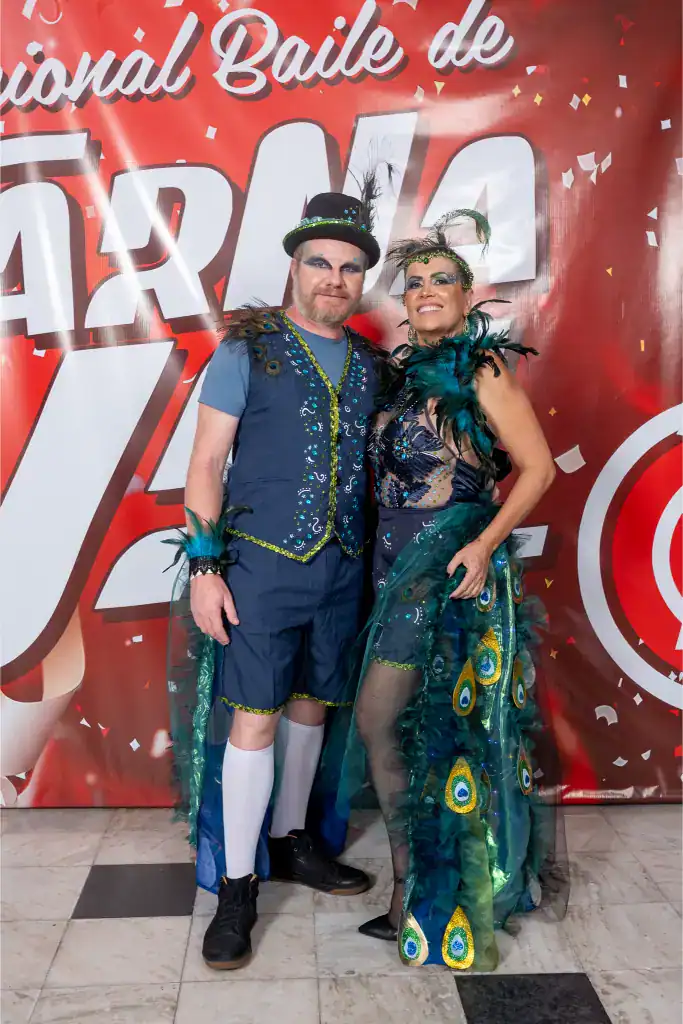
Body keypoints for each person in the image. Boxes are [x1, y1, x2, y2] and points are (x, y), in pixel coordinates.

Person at [337, 210, 568, 971]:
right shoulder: (402, 375)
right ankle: (413, 886)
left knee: (396, 722)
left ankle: (425, 891)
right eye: (415, 282)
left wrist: (481, 544)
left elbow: (538, 468)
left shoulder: (482, 369)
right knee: (406, 729)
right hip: (389, 566)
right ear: (403, 301)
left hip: (446, 570)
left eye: (443, 279)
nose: (427, 290)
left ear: (468, 296)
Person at [166, 186, 386, 971]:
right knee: (253, 721)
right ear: (294, 267)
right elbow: (204, 465)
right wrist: (204, 568)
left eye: (349, 268)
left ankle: (292, 842)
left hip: (344, 567)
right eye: (320, 262)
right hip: (258, 567)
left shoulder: (372, 365)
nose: (334, 278)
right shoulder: (245, 350)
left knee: (311, 709)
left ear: (362, 279)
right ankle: (237, 887)